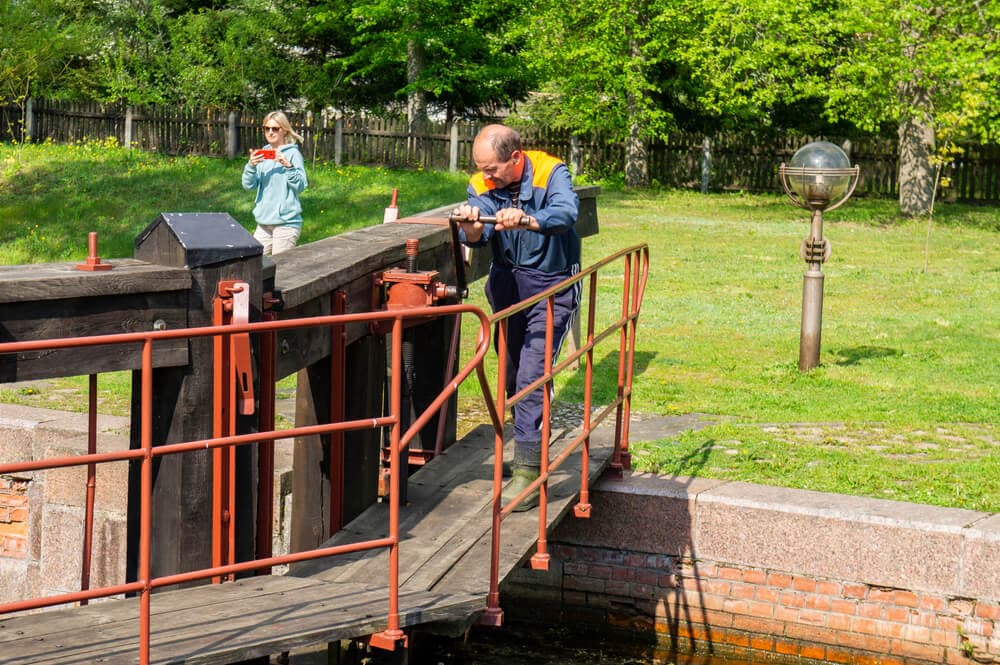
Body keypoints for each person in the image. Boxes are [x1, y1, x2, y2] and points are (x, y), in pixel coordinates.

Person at [452, 124, 581, 511]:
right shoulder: (482, 182)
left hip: (551, 286)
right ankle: (526, 446)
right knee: (510, 373)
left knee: (532, 376)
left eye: (493, 169)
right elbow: (479, 235)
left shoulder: (550, 171)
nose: (485, 176)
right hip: (508, 286)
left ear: (515, 157)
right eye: (481, 169)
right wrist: (472, 229)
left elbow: (566, 212)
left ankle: (528, 471)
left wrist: (529, 220)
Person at [242, 111, 308, 255]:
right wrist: (251, 166)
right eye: (267, 128)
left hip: (286, 224)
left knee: (281, 270)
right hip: (264, 222)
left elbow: (301, 185)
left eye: (275, 129)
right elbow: (248, 185)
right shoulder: (263, 153)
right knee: (254, 264)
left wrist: (288, 166)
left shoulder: (292, 154)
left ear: (284, 130)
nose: (270, 132)